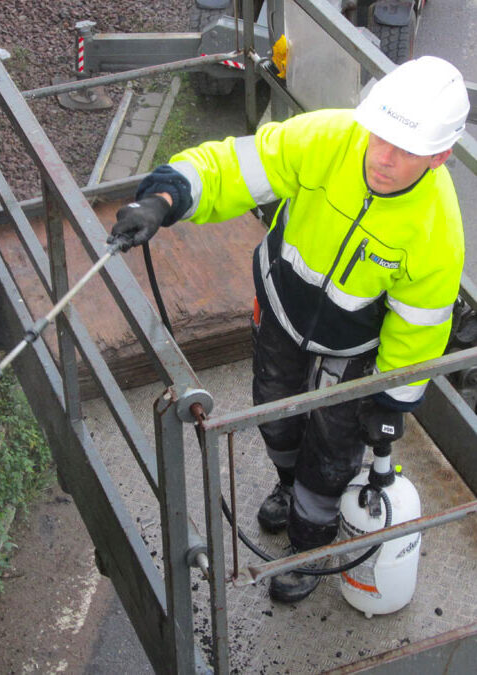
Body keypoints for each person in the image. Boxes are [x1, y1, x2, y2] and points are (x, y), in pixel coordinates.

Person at [108, 56, 471, 603]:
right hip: (282, 309)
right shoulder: (329, 139)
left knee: (333, 449)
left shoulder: (436, 228)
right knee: (274, 413)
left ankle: (309, 545)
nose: (383, 158)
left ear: (440, 157)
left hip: (352, 348)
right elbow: (235, 165)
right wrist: (165, 197)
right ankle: (286, 484)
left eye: (405, 151)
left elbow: (419, 327)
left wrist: (392, 402)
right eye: (380, 139)